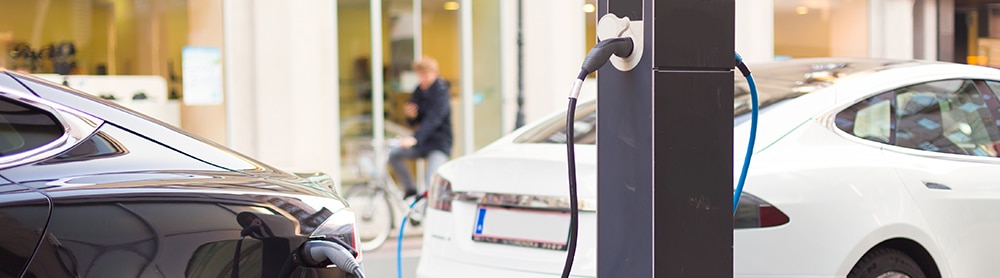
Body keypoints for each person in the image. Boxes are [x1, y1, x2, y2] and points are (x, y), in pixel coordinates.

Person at [389, 56, 453, 198]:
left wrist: (415, 138)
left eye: (425, 75)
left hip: (438, 144)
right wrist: (410, 116)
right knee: (394, 155)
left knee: (430, 183)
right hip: (423, 142)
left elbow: (433, 120)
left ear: (435, 74)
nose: (422, 79)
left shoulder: (442, 93)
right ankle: (410, 189)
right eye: (420, 76)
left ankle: (427, 208)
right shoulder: (419, 91)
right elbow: (414, 121)